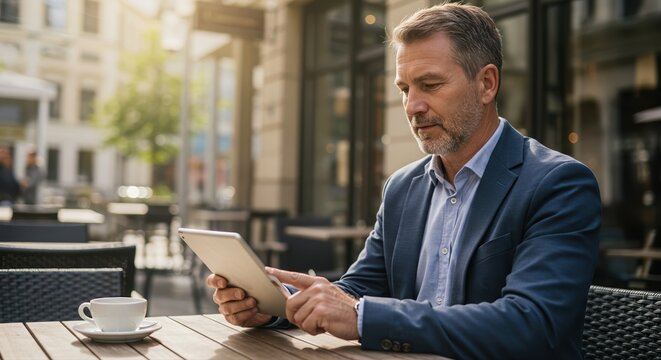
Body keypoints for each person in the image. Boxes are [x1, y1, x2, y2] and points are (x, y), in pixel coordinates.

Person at [207, 3, 601, 358]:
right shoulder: (402, 186)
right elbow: (359, 289)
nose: (412, 106)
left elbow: (530, 324)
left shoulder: (557, 183)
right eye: (404, 89)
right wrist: (277, 305)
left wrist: (362, 318)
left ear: (486, 84)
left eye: (430, 85)